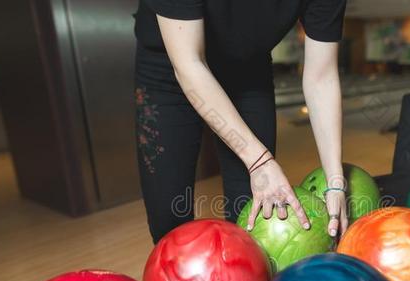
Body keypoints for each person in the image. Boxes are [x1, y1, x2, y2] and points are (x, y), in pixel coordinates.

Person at [134, 0, 348, 243]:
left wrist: (335, 181)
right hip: (169, 69)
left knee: (255, 215)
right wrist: (259, 161)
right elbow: (188, 65)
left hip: (247, 70)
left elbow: (321, 77)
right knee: (168, 220)